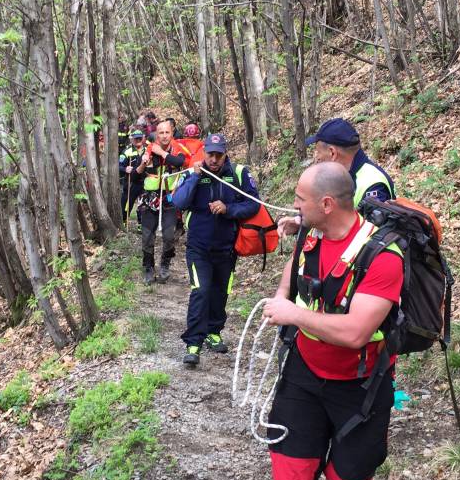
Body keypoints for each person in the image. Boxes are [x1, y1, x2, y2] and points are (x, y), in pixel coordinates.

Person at [260, 162, 403, 480]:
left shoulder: (383, 256)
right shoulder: (310, 234)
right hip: (304, 371)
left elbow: (356, 332)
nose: (293, 206)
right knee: (289, 463)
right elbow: (293, 274)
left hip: (361, 383)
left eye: (300, 199)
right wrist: (282, 299)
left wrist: (294, 314)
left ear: (326, 204)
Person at [171, 133, 259, 367]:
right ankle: (193, 343)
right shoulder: (193, 173)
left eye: (219, 155)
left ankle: (213, 331)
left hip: (227, 247)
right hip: (198, 248)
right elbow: (178, 202)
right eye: (210, 154)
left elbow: (253, 204)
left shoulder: (239, 173)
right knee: (200, 291)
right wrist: (195, 178)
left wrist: (228, 208)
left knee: (220, 292)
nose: (214, 159)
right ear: (204, 152)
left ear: (225, 154)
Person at [277, 118, 395, 240]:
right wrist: (300, 222)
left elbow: (372, 239)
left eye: (318, 152)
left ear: (332, 153)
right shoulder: (338, 177)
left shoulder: (373, 183)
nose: (316, 158)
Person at [136, 119, 188, 284]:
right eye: (161, 133)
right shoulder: (148, 149)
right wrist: (144, 162)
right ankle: (148, 268)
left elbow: (180, 162)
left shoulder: (177, 148)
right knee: (147, 237)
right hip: (149, 200)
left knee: (169, 236)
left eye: (167, 132)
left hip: (169, 200)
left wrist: (162, 153)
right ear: (156, 135)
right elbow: (137, 173)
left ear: (172, 133)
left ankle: (165, 264)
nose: (164, 136)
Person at [119, 129, 146, 224]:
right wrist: (125, 169)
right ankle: (123, 221)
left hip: (144, 182)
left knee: (143, 204)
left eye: (140, 138)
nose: (138, 140)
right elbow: (119, 165)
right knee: (126, 203)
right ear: (132, 139)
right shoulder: (127, 151)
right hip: (131, 182)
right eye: (136, 139)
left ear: (143, 139)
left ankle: (141, 223)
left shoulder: (148, 150)